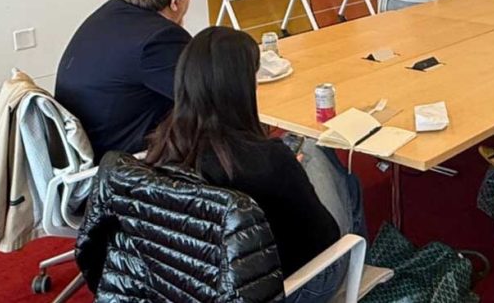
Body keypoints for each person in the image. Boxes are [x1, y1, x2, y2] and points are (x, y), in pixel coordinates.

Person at [145, 27, 347, 303]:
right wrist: (293, 176)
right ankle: (365, 269)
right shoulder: (268, 159)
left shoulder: (163, 147)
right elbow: (325, 237)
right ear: (242, 86)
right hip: (289, 288)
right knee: (325, 159)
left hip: (202, 286)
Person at [55, 0, 201, 160]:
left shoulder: (107, 15)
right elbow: (205, 98)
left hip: (88, 145)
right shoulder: (160, 38)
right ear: (174, 2)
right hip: (124, 159)